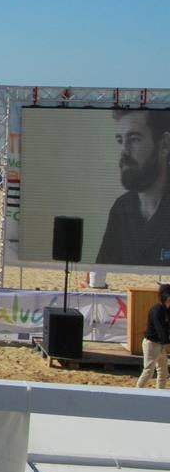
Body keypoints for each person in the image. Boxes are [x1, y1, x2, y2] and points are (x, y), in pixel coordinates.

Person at [95, 108, 170, 266]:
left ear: (164, 145)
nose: (124, 152)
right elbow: (104, 268)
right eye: (120, 141)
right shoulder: (121, 208)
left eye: (134, 139)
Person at [137, 284, 170, 389]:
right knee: (148, 371)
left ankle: (160, 394)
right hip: (152, 344)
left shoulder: (168, 309)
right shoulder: (156, 310)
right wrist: (167, 342)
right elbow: (159, 328)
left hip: (162, 345)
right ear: (167, 297)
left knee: (163, 372)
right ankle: (136, 391)